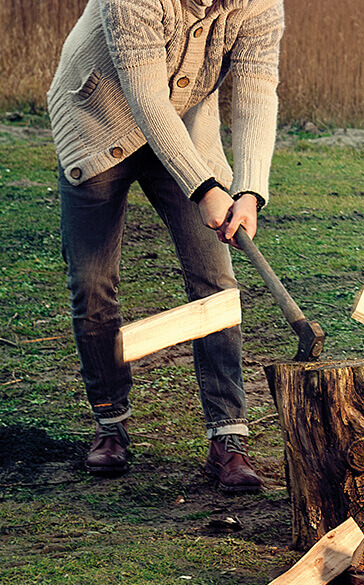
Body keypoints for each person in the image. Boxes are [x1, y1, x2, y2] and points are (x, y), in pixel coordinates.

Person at [47, 0, 285, 491]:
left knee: (216, 282)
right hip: (98, 120)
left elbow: (256, 91)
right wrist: (203, 187)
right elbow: (145, 98)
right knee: (92, 280)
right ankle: (110, 424)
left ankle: (228, 436)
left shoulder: (261, 3)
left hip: (184, 123)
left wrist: (249, 190)